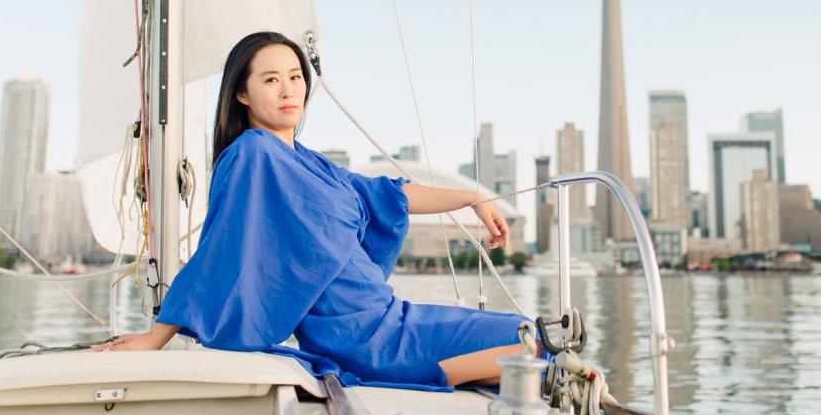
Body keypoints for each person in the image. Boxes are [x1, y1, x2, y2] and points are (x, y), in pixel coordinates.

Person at [94, 31, 528, 389]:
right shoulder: (253, 155)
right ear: (241, 93)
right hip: (365, 337)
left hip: (392, 316)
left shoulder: (311, 162)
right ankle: (426, 376)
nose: (288, 90)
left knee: (532, 335)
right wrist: (157, 337)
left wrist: (472, 200)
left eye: (296, 76)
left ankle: (432, 374)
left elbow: (392, 194)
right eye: (270, 80)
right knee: (535, 344)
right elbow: (218, 252)